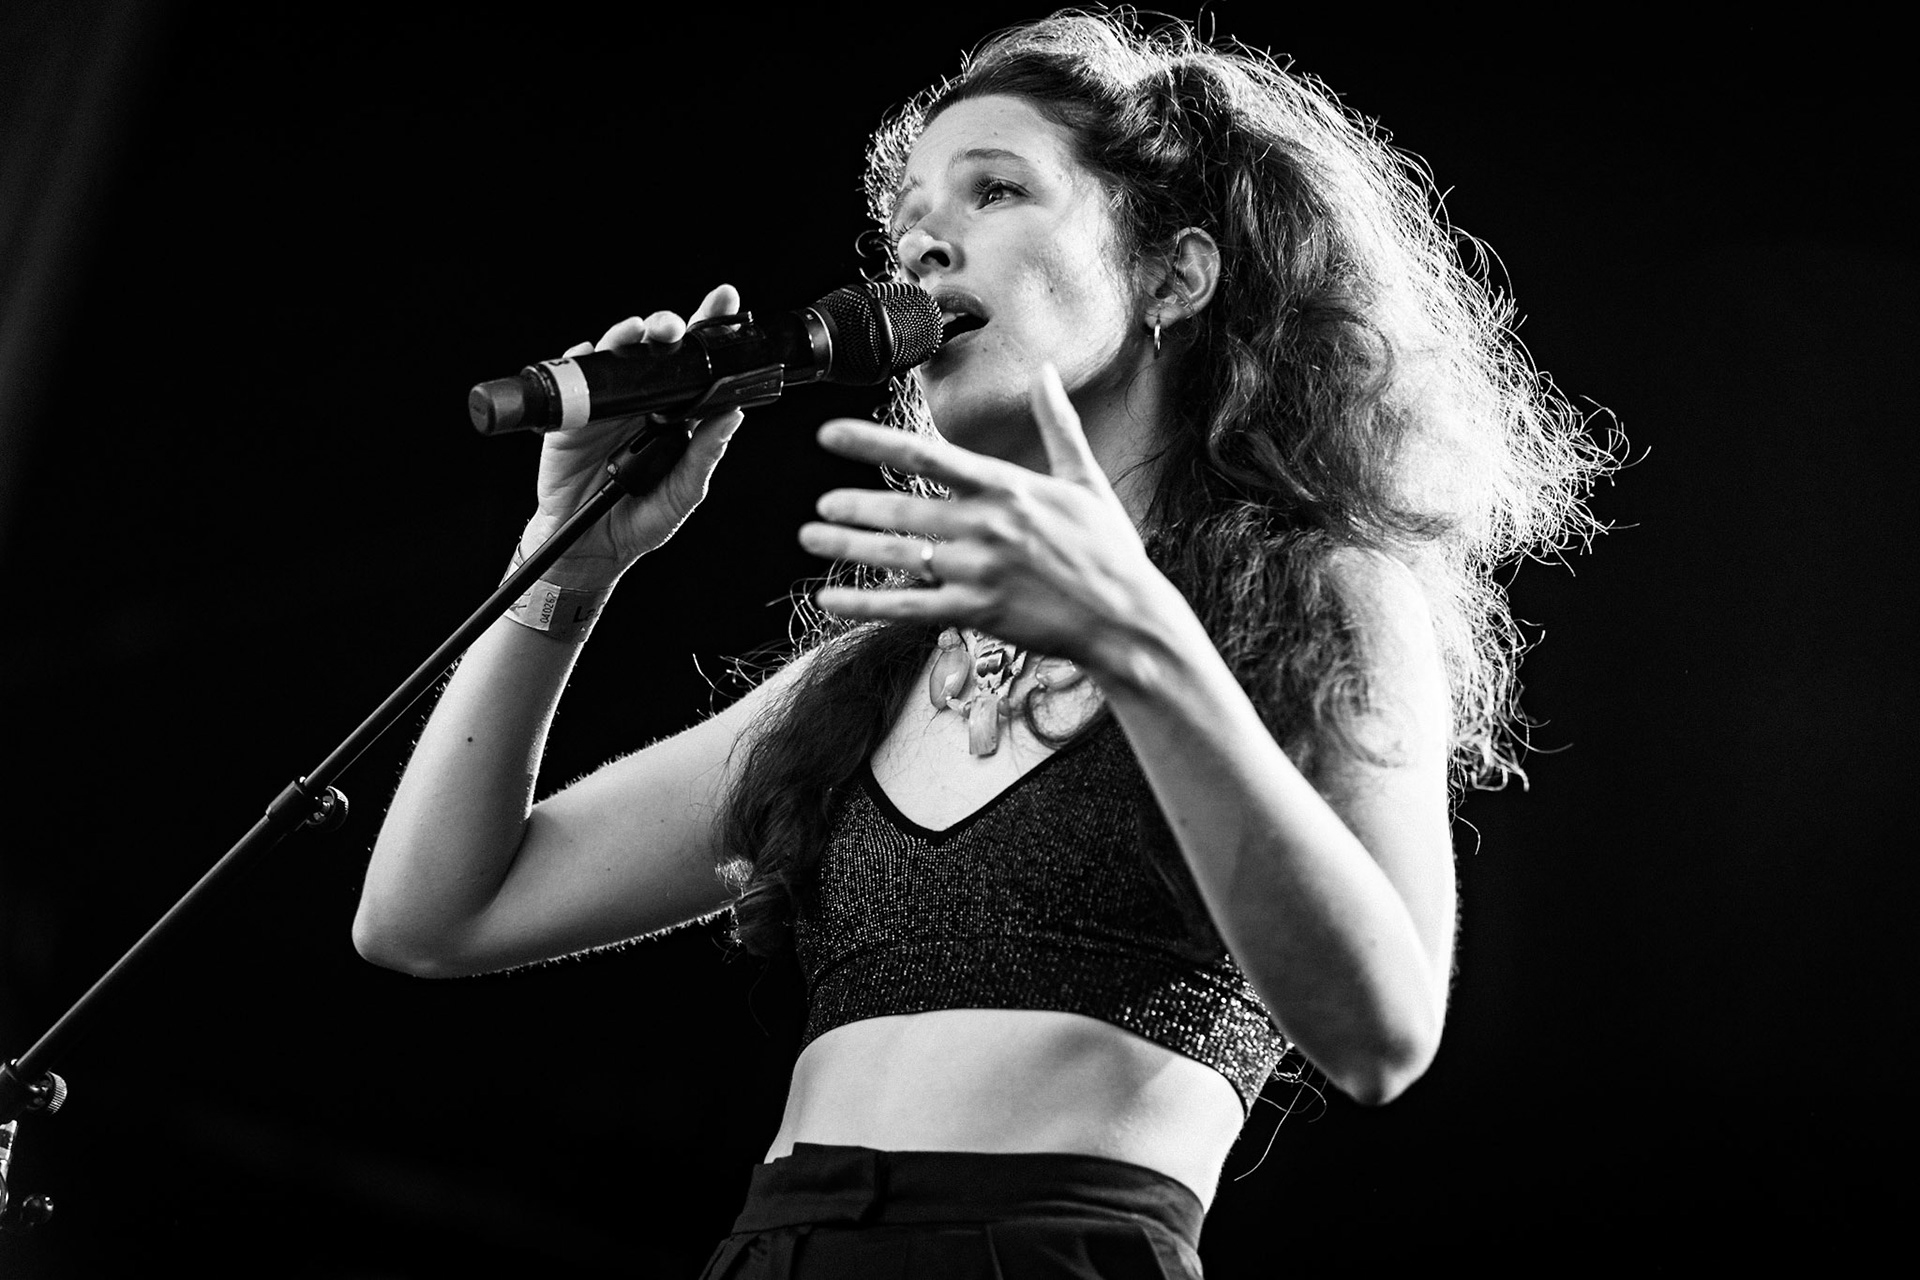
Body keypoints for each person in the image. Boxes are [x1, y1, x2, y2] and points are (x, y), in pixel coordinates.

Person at [353, 12, 1611, 1277]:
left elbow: (1381, 1034)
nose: (920, 242)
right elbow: (434, 912)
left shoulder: (1313, 601)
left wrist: (1139, 642)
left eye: (996, 189)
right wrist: (568, 567)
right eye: (907, 220)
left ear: (1176, 274)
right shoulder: (883, 665)